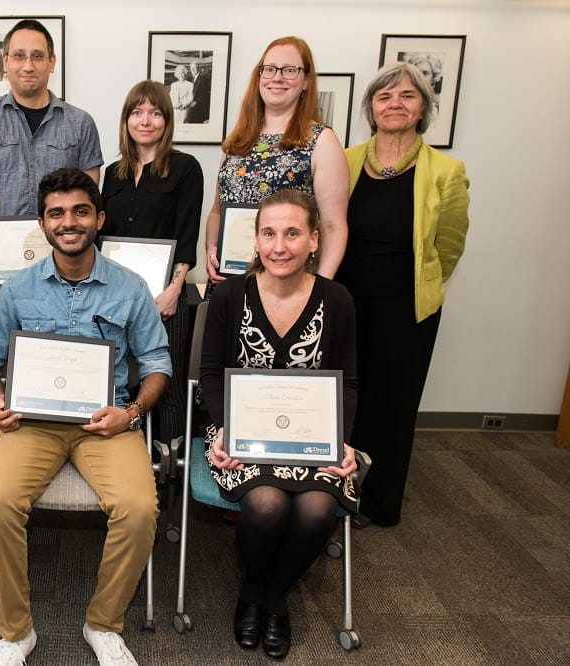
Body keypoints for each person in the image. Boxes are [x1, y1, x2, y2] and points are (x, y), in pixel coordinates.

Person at [0, 168, 171, 666]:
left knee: (139, 507)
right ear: (42, 224)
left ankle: (103, 624)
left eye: (80, 211)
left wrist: (131, 413)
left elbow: (157, 364)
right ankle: (16, 633)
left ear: (99, 219)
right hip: (30, 423)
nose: (69, 222)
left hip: (107, 423)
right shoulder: (18, 289)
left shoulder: (130, 288)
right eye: (56, 213)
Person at [201, 189, 359, 661]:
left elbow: (348, 381)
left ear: (314, 240)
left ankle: (276, 596)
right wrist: (225, 427)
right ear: (256, 239)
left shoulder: (338, 299)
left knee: (314, 509)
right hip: (241, 431)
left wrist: (342, 441)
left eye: (292, 234)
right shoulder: (229, 295)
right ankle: (253, 590)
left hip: (314, 435)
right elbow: (210, 374)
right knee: (267, 504)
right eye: (268, 233)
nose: (279, 246)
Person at [336, 62, 469, 528]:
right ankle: (335, 491)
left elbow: (449, 247)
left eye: (407, 96)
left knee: (391, 406)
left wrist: (419, 284)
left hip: (405, 309)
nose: (394, 104)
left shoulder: (446, 171)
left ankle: (379, 502)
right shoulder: (346, 160)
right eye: (384, 96)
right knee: (344, 400)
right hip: (345, 303)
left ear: (423, 109)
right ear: (371, 108)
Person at [0, 18, 103, 326]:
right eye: (19, 55)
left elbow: (87, 205)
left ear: (52, 63)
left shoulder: (81, 123)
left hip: (66, 267)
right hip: (0, 267)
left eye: (38, 56)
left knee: (60, 351)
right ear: (5, 62)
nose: (28, 65)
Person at [100, 80, 203, 449]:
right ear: (127, 120)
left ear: (167, 119)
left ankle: (168, 475)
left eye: (155, 113)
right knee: (117, 380)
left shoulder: (186, 169)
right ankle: (123, 457)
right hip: (117, 299)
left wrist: (175, 290)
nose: (146, 120)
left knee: (165, 384)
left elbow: (188, 233)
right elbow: (102, 238)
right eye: (137, 112)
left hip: (166, 298)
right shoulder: (113, 174)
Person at [204, 36, 348, 283]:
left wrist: (321, 288)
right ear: (259, 77)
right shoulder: (237, 142)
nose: (277, 77)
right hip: (230, 282)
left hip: (290, 287)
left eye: (290, 70)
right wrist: (211, 251)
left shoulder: (321, 141)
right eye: (269, 69)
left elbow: (334, 228)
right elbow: (217, 211)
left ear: (306, 81)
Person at [184, 60, 211, 124]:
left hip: (199, 107)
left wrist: (196, 102)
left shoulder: (203, 78)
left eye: (195, 68)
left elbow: (206, 93)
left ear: (198, 68)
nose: (193, 70)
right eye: (192, 68)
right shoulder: (193, 78)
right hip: (193, 107)